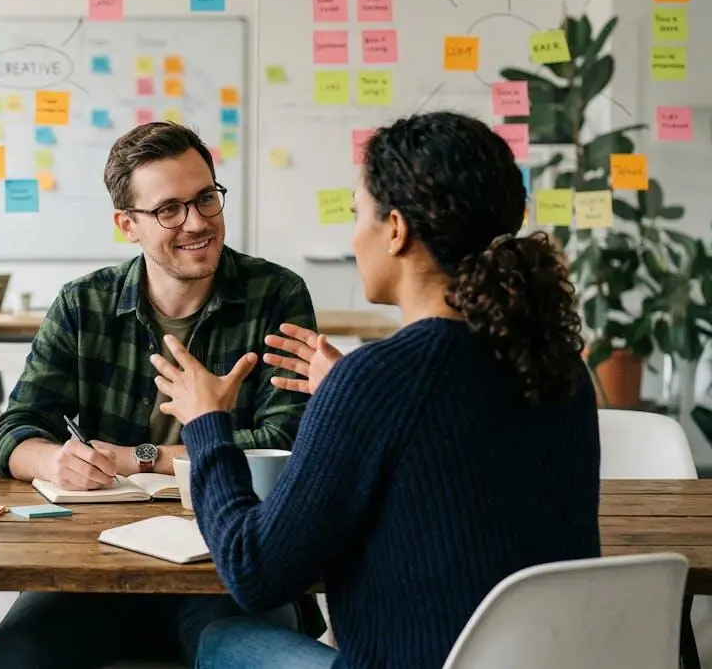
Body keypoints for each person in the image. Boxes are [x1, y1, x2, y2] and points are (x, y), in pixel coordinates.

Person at [154, 111, 600, 669]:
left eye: (357, 214)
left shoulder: (381, 381)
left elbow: (253, 571)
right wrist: (350, 390)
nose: (354, 234)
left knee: (220, 642)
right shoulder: (557, 363)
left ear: (396, 229)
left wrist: (206, 427)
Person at [0, 121, 320, 669]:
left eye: (206, 198)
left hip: (226, 559)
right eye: (169, 209)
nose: (197, 223)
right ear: (127, 224)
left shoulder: (276, 294)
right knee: (19, 657)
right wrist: (57, 459)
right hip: (95, 560)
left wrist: (136, 458)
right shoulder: (82, 303)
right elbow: (13, 431)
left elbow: (283, 443)